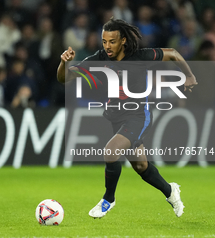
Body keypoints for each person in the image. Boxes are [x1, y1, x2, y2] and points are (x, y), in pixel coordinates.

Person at [57, 18, 198, 218]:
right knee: (141, 165)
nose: (107, 46)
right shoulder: (99, 59)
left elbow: (173, 54)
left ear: (123, 40)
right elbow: (64, 78)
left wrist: (189, 76)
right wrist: (64, 62)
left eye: (112, 42)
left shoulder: (140, 57)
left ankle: (108, 199)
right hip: (116, 117)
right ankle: (170, 191)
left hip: (138, 116)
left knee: (110, 150)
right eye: (104, 41)